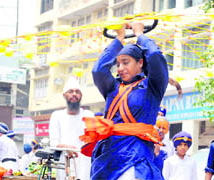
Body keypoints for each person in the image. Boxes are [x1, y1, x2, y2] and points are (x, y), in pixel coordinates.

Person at [89, 21, 168, 179]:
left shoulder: (152, 86)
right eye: (117, 64)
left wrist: (140, 35)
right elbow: (98, 70)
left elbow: (154, 56)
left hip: (135, 157)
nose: (119, 69)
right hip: (107, 159)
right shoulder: (112, 87)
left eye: (126, 63)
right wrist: (119, 38)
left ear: (140, 63)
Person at [49, 76, 94, 180]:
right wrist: (68, 148)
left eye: (77, 92)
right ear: (64, 95)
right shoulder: (56, 116)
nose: (74, 94)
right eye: (71, 91)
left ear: (81, 95)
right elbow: (54, 142)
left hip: (85, 163)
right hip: (65, 161)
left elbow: (93, 140)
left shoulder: (89, 115)